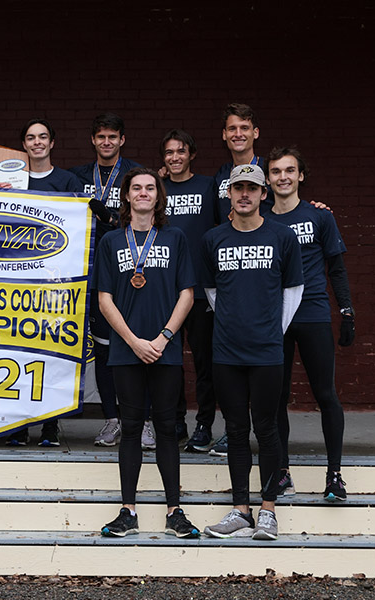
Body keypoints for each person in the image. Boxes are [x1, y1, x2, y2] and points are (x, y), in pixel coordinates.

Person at [200, 164, 303, 541]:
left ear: (264, 194)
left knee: (268, 427)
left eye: (252, 188)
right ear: (230, 193)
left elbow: (293, 290)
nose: (245, 194)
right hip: (226, 351)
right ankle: (241, 509)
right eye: (238, 188)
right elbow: (212, 293)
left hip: (267, 352)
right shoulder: (213, 239)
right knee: (236, 429)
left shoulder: (282, 237)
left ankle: (268, 510)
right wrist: (235, 323)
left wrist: (271, 331)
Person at [96, 167, 199, 539]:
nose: (142, 193)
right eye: (136, 188)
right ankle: (128, 511)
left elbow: (187, 292)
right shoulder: (111, 241)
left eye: (149, 188)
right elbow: (104, 299)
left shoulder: (175, 238)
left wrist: (164, 337)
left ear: (158, 196)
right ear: (126, 196)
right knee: (131, 430)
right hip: (127, 351)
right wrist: (134, 341)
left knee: (168, 429)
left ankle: (175, 510)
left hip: (165, 350)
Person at [266, 147, 353, 501]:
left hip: (315, 314)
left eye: (290, 170)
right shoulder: (260, 219)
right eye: (275, 171)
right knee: (276, 398)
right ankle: (282, 472)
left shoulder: (320, 217)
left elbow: (337, 268)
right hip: (276, 320)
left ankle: (334, 475)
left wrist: (346, 311)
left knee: (326, 394)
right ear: (268, 179)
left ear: (301, 176)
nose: (283, 176)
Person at [0, 118, 81, 447]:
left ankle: (49, 425)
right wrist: (0, 199)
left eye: (43, 136)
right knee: (16, 351)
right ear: (24, 144)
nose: (37, 142)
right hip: (17, 282)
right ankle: (17, 425)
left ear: (52, 143)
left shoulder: (67, 180)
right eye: (30, 138)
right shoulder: (10, 178)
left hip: (55, 283)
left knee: (51, 353)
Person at [69, 113, 144, 448]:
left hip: (131, 273)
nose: (107, 142)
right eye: (101, 137)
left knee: (138, 346)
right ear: (93, 140)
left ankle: (142, 421)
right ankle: (113, 420)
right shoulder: (76, 178)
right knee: (102, 350)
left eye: (113, 137)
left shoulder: (136, 175)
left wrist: (114, 220)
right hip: (89, 274)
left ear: (122, 140)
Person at [158, 130, 221, 453]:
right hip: (164, 291)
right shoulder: (156, 188)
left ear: (191, 154)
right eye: (169, 153)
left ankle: (204, 425)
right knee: (168, 361)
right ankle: (175, 420)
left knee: (203, 362)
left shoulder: (208, 186)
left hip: (199, 291)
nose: (175, 157)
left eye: (180, 151)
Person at [213, 103, 274, 222]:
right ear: (224, 134)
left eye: (244, 128)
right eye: (232, 129)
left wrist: (315, 208)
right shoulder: (221, 174)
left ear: (255, 133)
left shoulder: (270, 169)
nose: (238, 134)